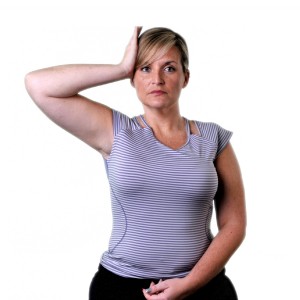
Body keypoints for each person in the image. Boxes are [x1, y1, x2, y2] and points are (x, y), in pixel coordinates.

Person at [25, 26, 246, 300]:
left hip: (202, 286)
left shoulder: (213, 138)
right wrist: (120, 68)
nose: (157, 79)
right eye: (145, 69)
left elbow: (234, 224)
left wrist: (189, 284)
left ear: (185, 77)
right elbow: (38, 84)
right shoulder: (115, 131)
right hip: (122, 287)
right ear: (133, 78)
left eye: (169, 68)